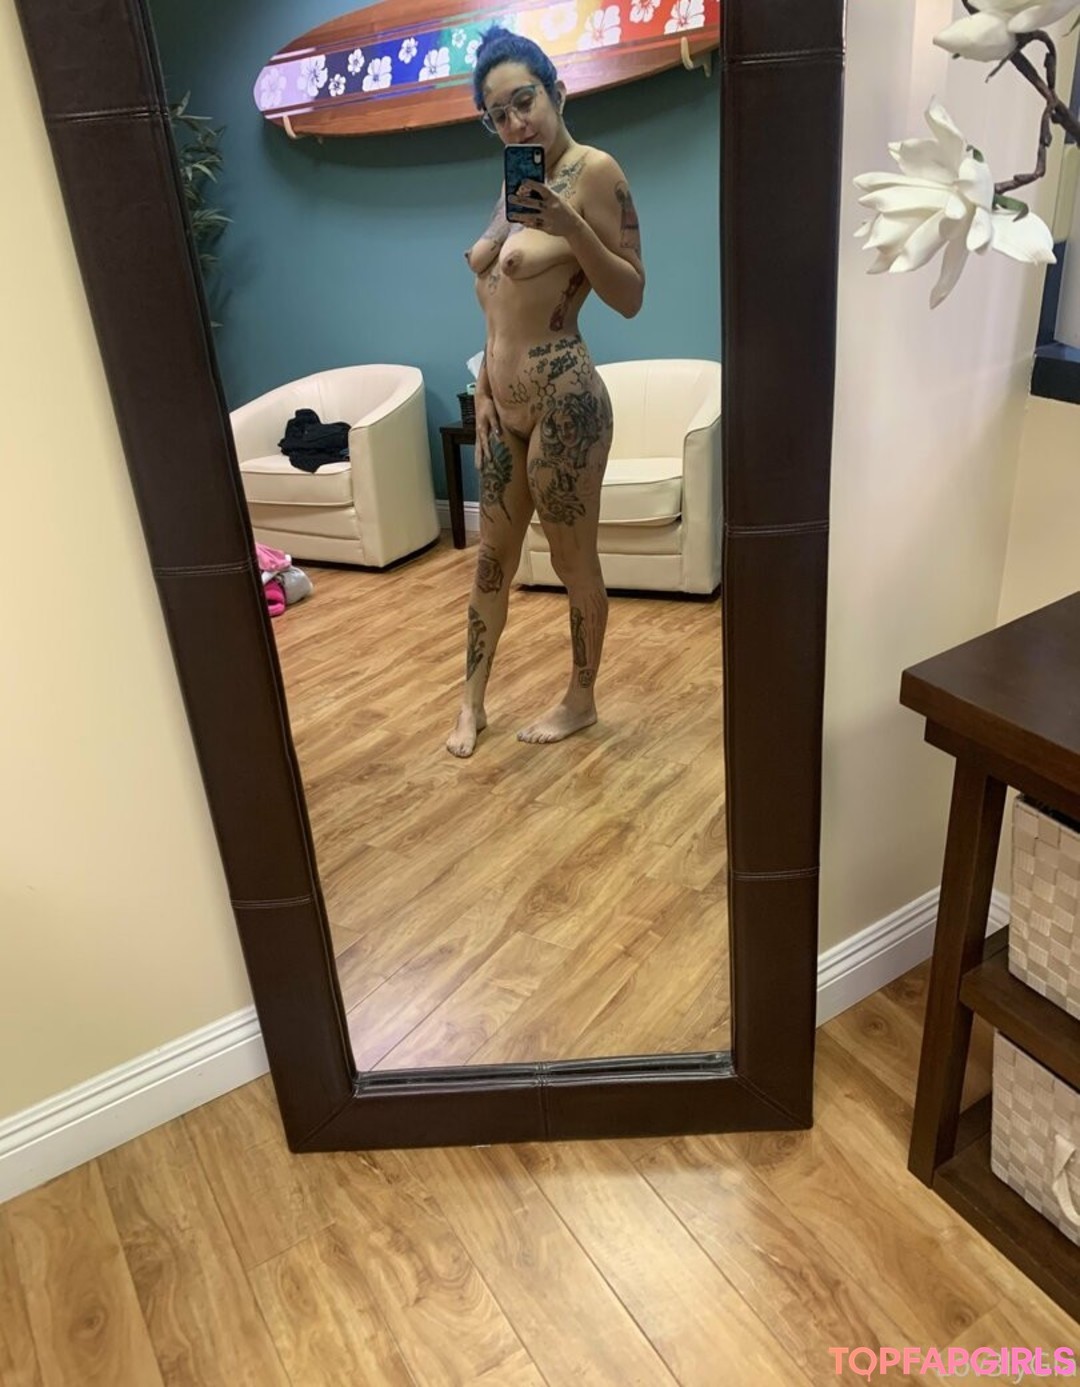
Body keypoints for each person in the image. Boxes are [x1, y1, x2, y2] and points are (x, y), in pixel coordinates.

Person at [445, 25, 645, 758]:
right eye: (497, 114)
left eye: (523, 101)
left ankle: (581, 700)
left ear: (556, 92)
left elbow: (631, 292)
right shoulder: (514, 185)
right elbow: (495, 295)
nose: (514, 122)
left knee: (570, 561)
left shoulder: (596, 171)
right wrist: (483, 388)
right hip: (502, 406)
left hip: (566, 401)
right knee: (491, 560)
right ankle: (471, 702)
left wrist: (569, 226)